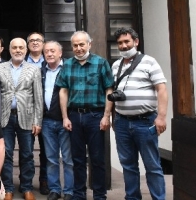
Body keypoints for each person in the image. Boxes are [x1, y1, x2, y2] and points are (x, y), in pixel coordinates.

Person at [109, 28, 168, 200]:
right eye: (120, 43)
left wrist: (161, 117)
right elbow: (112, 92)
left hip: (145, 121)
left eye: (127, 41)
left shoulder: (149, 62)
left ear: (136, 41)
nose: (123, 45)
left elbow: (162, 89)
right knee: (128, 165)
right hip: (122, 122)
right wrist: (112, 117)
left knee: (152, 165)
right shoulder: (116, 65)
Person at [57, 31, 114, 200]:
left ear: (89, 44)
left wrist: (106, 116)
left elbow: (109, 89)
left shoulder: (101, 63)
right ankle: (79, 194)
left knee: (97, 159)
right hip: (74, 116)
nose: (78, 48)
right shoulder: (67, 65)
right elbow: (63, 91)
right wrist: (65, 117)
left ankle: (99, 195)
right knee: (77, 159)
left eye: (82, 44)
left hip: (95, 116)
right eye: (75, 45)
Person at [0, 38, 43, 200]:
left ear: (26, 50)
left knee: (27, 154)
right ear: (9, 49)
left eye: (21, 47)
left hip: (27, 117)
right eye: (14, 47)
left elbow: (38, 97)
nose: (18, 50)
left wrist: (37, 121)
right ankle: (8, 188)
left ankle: (26, 187)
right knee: (6, 153)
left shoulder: (33, 69)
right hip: (5, 118)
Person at [40, 41, 73, 200]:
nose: (49, 54)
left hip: (66, 121)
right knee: (51, 158)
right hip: (47, 121)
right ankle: (54, 189)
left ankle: (69, 191)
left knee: (68, 158)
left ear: (60, 53)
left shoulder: (69, 68)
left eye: (53, 51)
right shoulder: (41, 70)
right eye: (46, 51)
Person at [25, 32, 48, 194]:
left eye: (38, 40)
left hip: (47, 113)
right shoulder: (21, 62)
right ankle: (26, 183)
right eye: (31, 41)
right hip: (26, 113)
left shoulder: (50, 62)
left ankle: (44, 180)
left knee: (46, 151)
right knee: (27, 151)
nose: (35, 43)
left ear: (43, 43)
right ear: (27, 45)